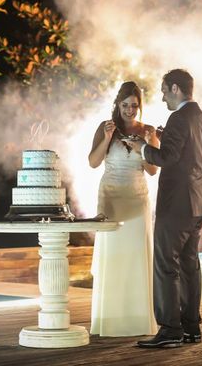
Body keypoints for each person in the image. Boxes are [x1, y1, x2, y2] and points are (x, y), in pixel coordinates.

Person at [123, 69, 202, 348]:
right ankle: (191, 328)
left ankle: (170, 330)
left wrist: (142, 147)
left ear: (175, 88)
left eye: (164, 91)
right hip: (197, 203)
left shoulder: (178, 117)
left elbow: (166, 157)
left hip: (176, 205)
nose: (162, 98)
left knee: (166, 266)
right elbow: (189, 155)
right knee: (190, 267)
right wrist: (165, 136)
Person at [88, 80, 160, 337]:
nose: (130, 110)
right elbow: (93, 163)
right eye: (126, 105)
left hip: (137, 197)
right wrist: (107, 138)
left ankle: (138, 319)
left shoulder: (147, 130)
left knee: (136, 256)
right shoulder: (106, 127)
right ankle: (110, 319)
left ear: (139, 107)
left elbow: (152, 170)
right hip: (111, 197)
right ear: (117, 104)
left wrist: (150, 142)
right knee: (114, 256)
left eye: (134, 105)